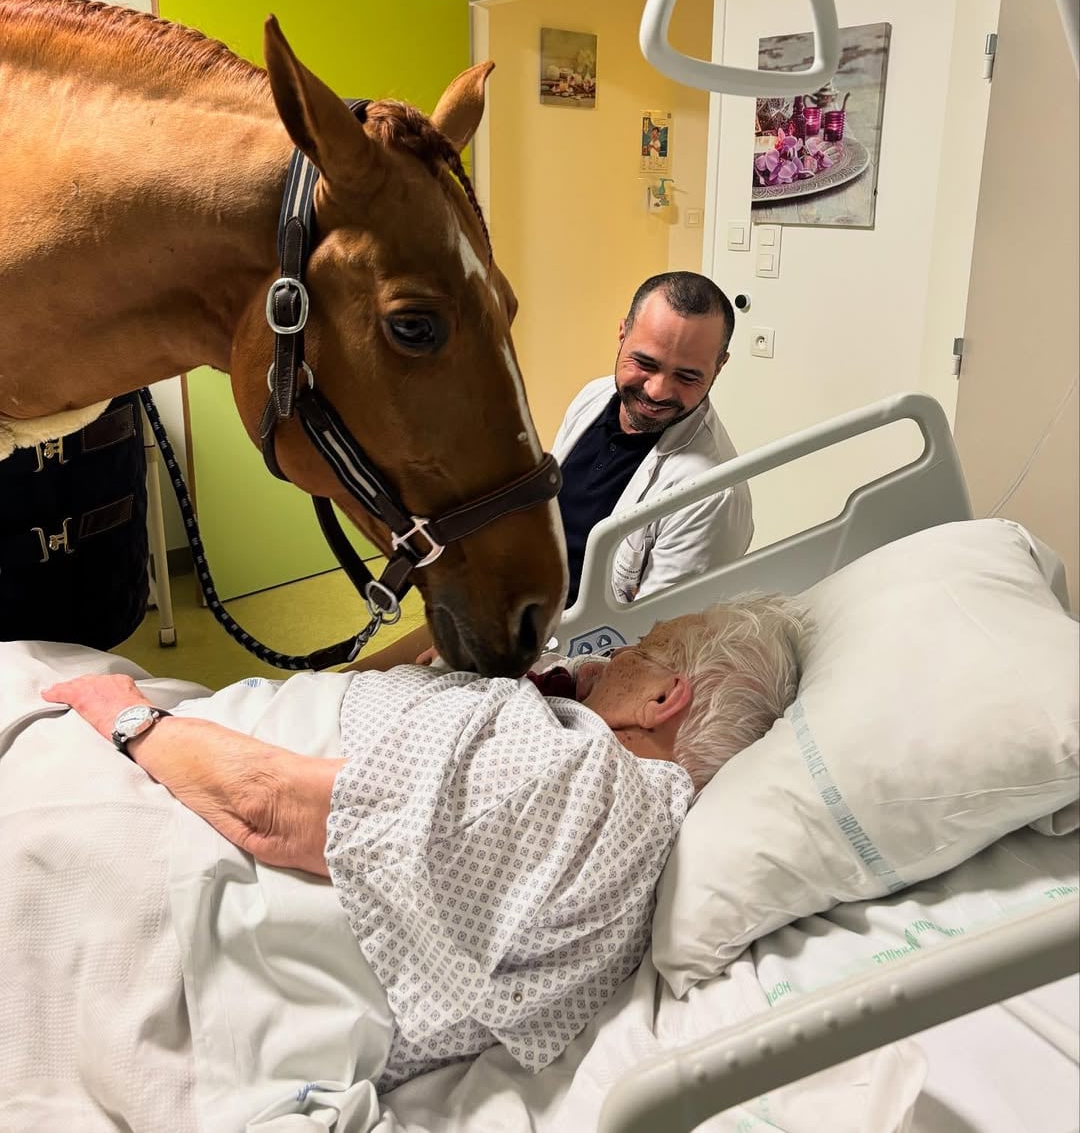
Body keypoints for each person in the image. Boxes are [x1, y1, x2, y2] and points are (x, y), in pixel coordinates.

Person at [1, 595, 804, 1129]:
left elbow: (272, 809)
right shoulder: (591, 787)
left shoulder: (586, 781)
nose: (615, 651)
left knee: (33, 678)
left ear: (666, 698)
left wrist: (133, 720)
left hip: (181, 867)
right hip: (222, 770)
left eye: (645, 649)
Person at [553, 270, 753, 607]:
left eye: (687, 376)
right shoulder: (592, 397)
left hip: (575, 653)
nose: (657, 391)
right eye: (644, 362)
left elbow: (650, 637)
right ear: (622, 333)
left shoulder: (712, 495)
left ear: (719, 367)